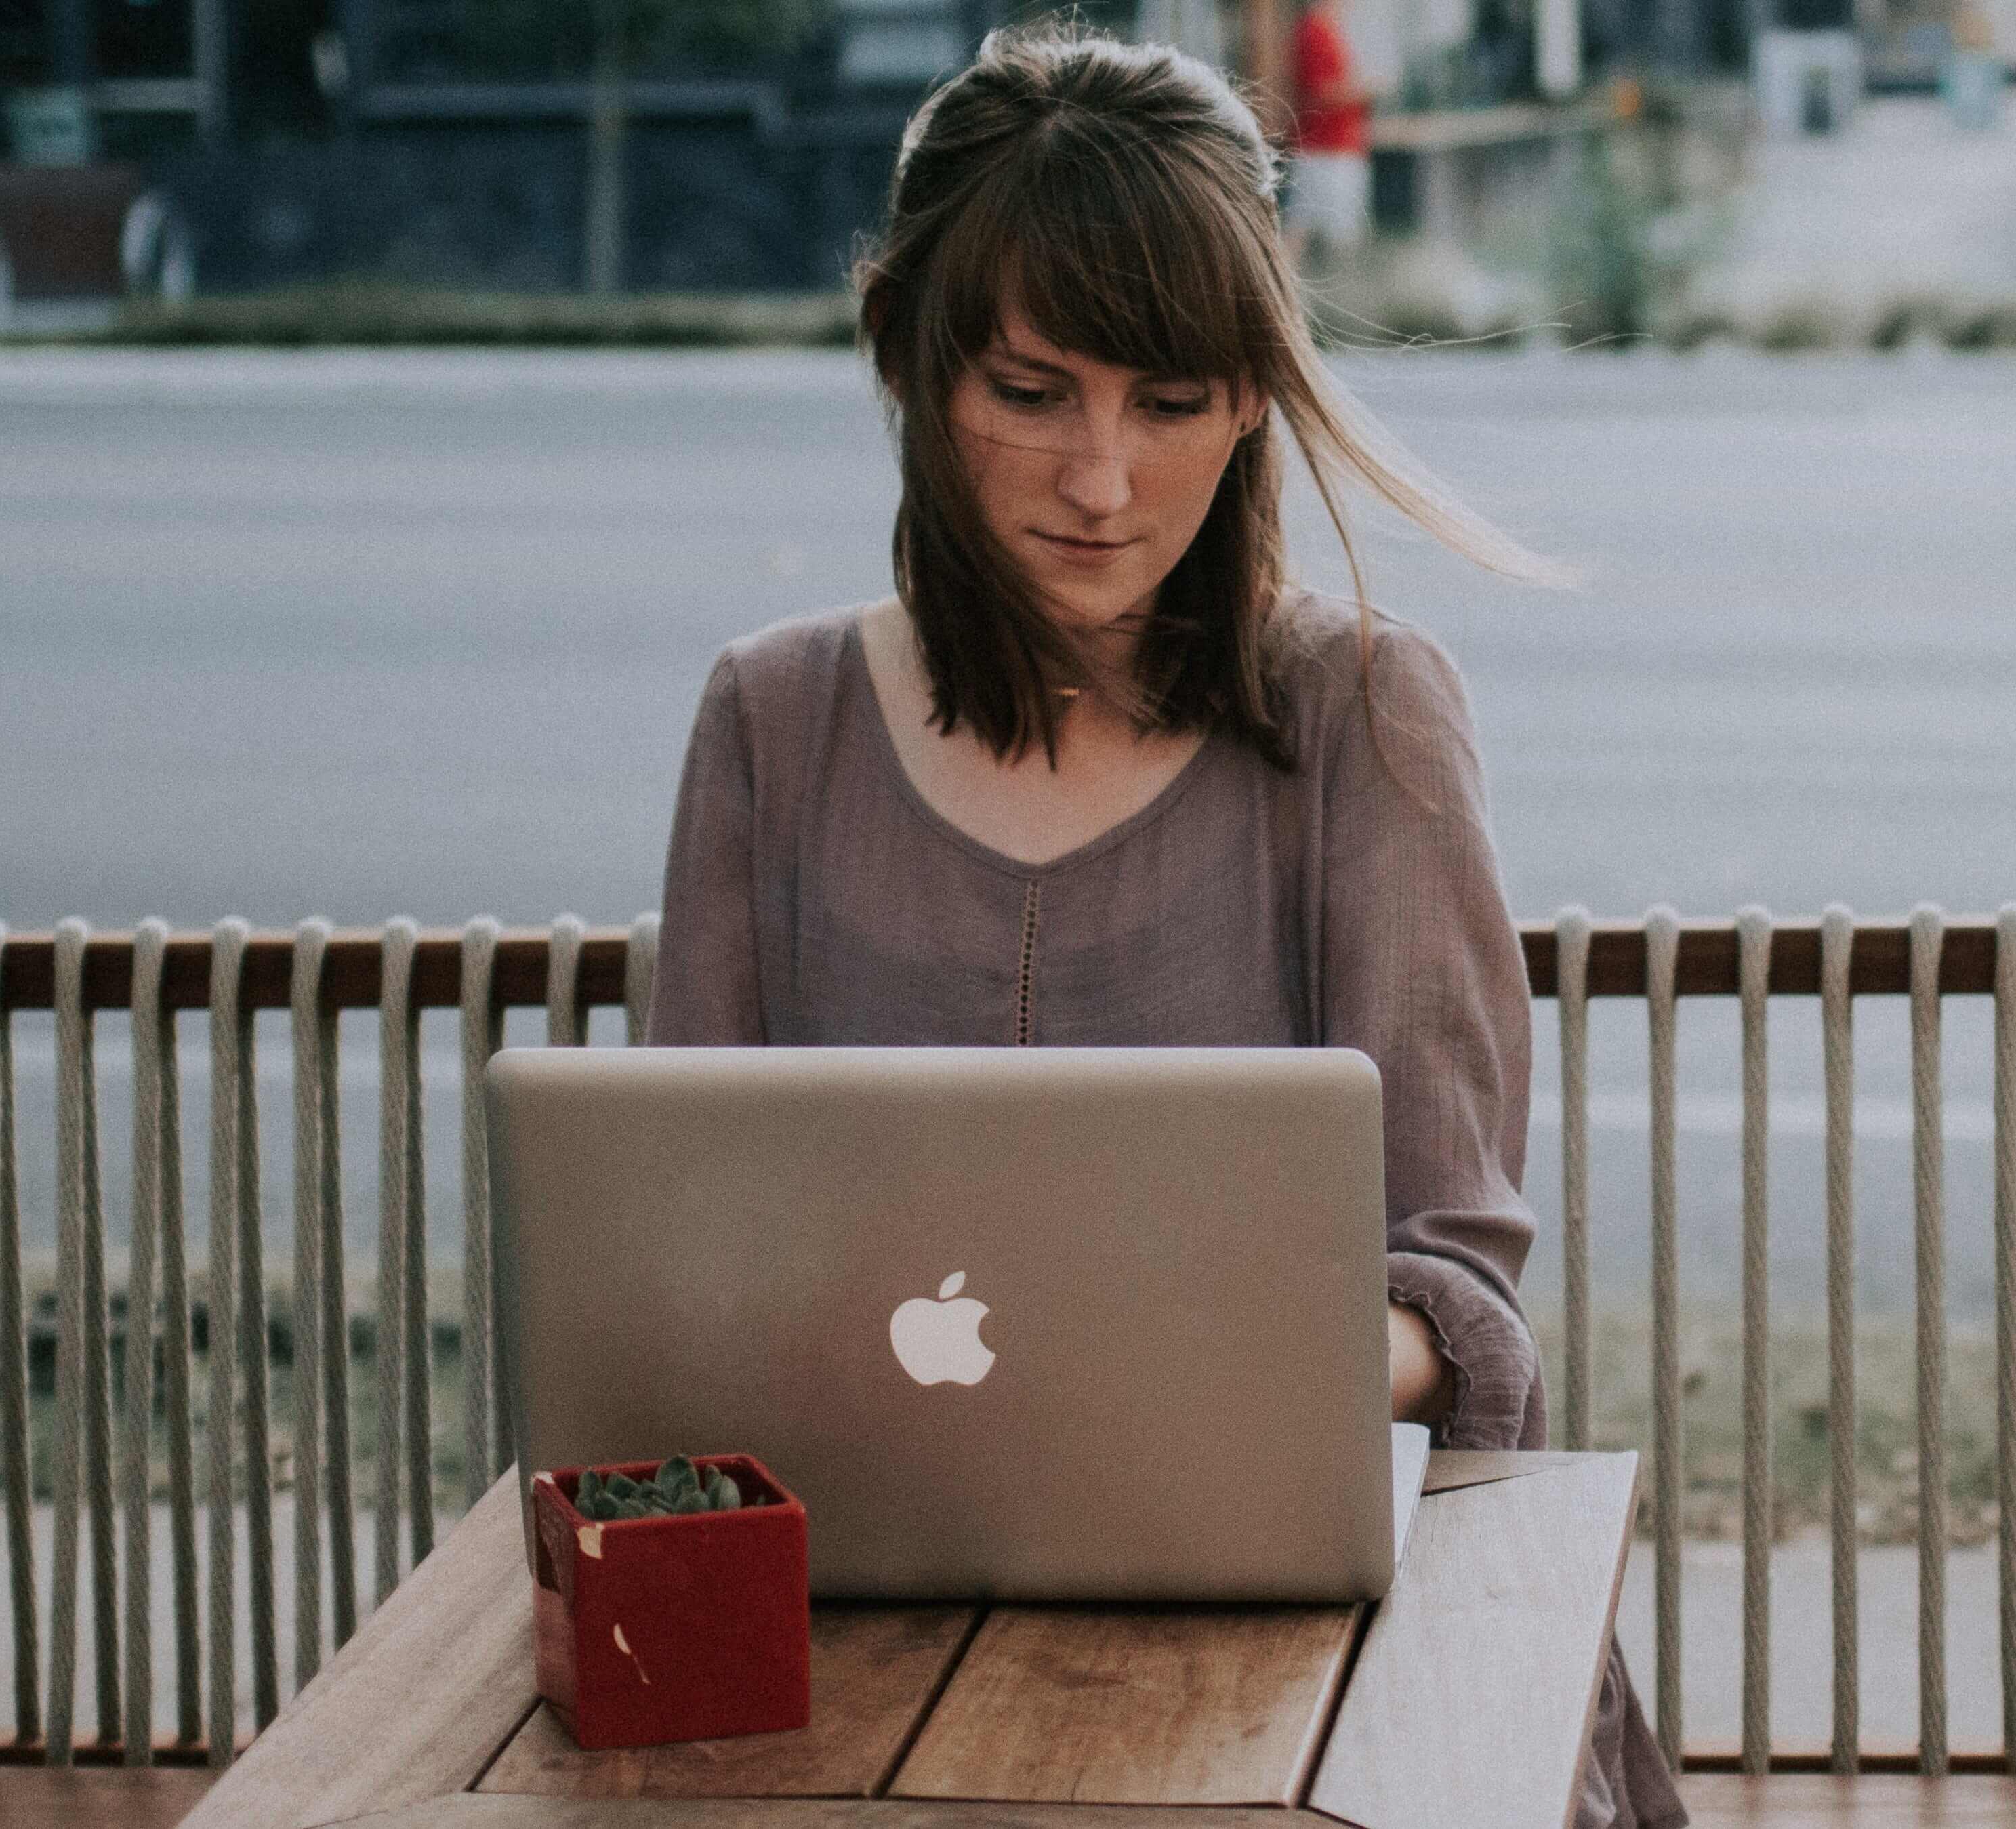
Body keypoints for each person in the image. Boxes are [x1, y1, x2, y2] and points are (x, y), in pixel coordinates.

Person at [643, 29, 1683, 1829]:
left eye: (1173, 398)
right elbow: (676, 1243)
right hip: (860, 1645)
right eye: (1032, 392)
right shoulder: (770, 717)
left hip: (1303, 1663)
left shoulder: (1362, 708)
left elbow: (1460, 1285)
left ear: (1259, 393)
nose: (1103, 482)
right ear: (901, 351)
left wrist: (1217, 1390)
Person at [1286, 0, 1376, 264]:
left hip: (1336, 149)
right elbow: (1321, 93)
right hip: (1325, 151)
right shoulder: (1315, 31)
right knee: (1323, 236)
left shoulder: (1329, 29)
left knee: (1306, 230)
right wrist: (1366, 90)